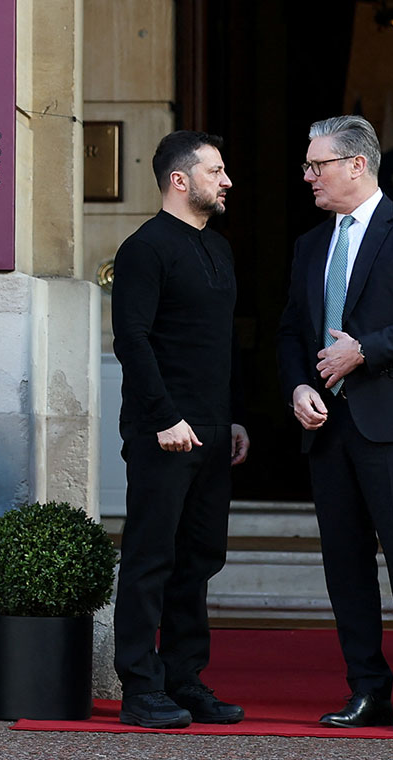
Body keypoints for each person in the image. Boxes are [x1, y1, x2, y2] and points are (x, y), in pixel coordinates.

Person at [278, 114, 393, 733]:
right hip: (329, 429)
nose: (307, 175)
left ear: (356, 164)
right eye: (308, 165)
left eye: (316, 164)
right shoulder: (309, 244)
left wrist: (366, 350)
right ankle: (367, 690)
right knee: (345, 566)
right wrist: (299, 383)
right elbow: (289, 332)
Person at [109, 131, 251, 729]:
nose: (226, 181)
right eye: (216, 171)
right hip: (161, 432)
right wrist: (166, 417)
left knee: (200, 558)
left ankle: (183, 678)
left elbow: (216, 346)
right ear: (180, 180)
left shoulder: (218, 248)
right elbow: (132, 340)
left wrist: (231, 418)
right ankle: (141, 687)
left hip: (213, 430)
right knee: (150, 559)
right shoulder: (144, 248)